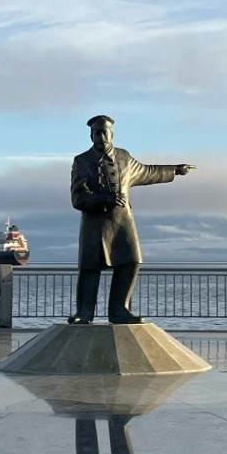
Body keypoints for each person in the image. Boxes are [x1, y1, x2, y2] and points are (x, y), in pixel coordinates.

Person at [68, 115, 193, 324]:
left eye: (104, 131)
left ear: (112, 134)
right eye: (96, 132)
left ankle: (119, 310)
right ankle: (85, 312)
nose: (100, 136)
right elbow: (77, 197)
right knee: (90, 268)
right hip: (94, 225)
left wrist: (174, 170)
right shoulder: (82, 161)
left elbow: (147, 172)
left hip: (122, 222)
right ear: (90, 136)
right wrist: (103, 198)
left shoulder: (124, 158)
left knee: (131, 262)